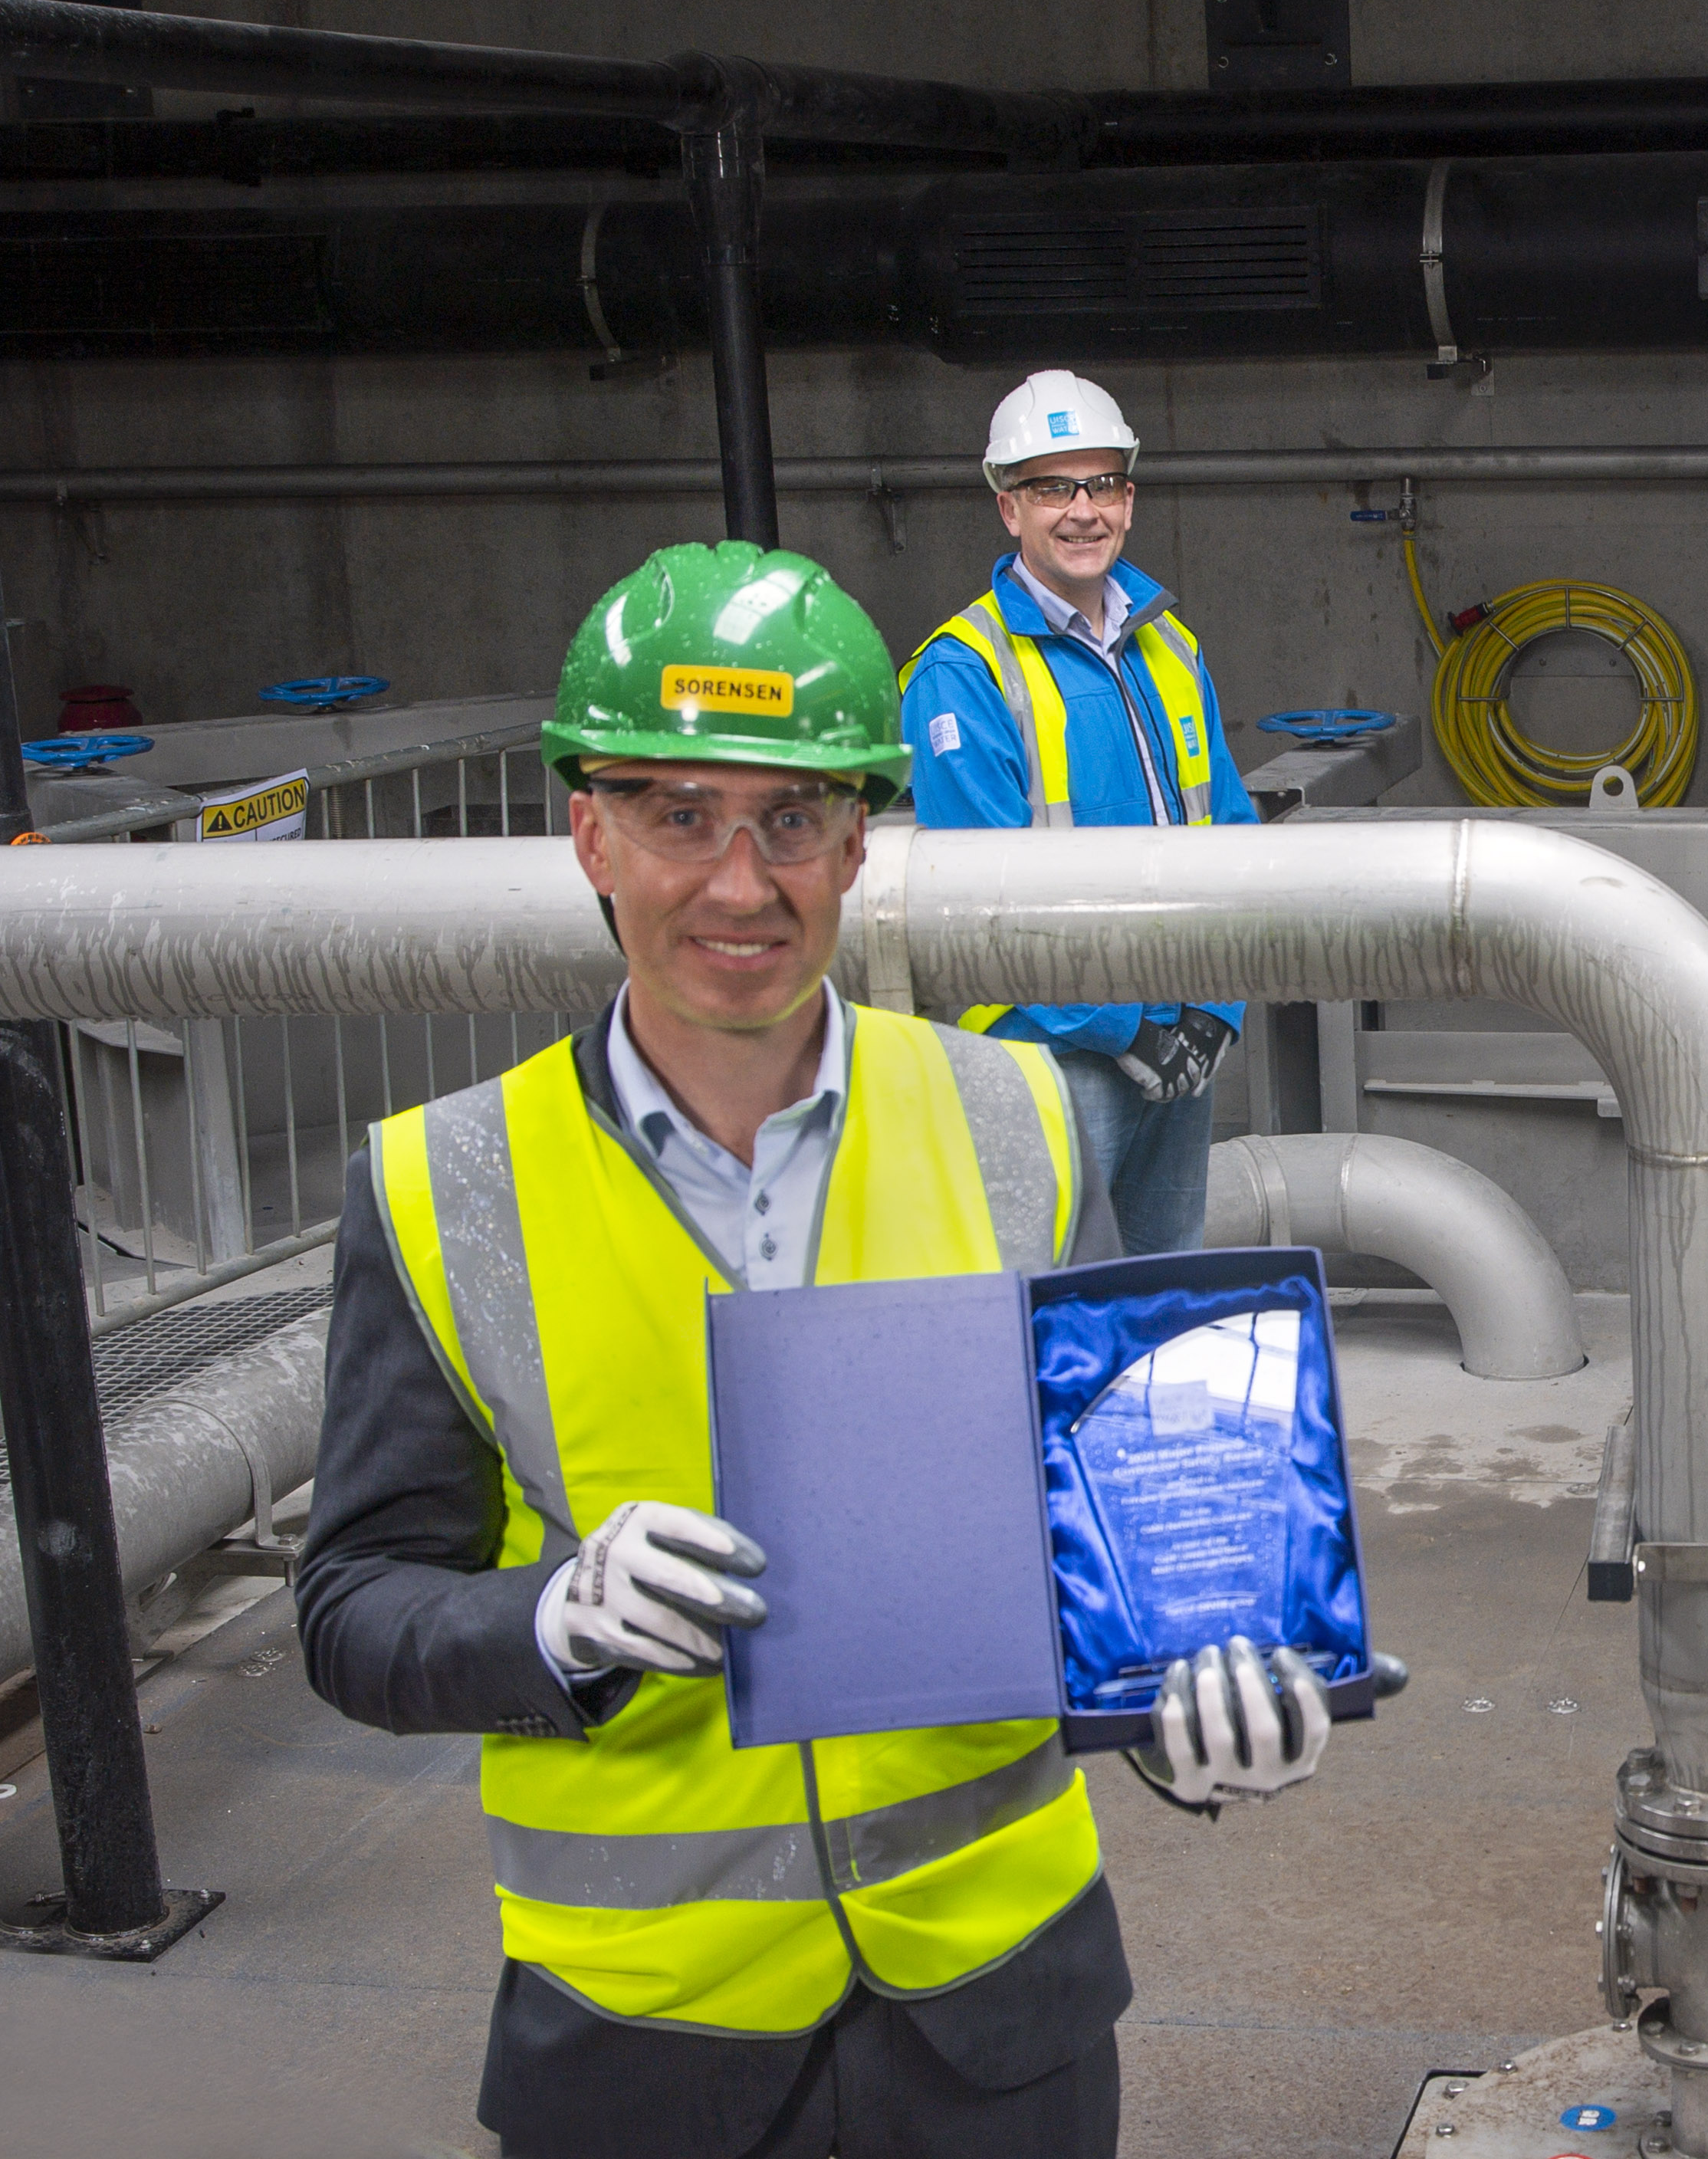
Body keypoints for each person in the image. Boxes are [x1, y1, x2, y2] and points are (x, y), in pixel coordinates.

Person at [296, 543, 1334, 2159]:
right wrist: (554, 1624)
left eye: (792, 818)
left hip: (1002, 2014)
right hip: (643, 2040)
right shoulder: (443, 1188)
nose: (739, 881)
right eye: (677, 814)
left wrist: (1203, 1701)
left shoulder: (1023, 1128)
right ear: (588, 832)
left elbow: (1120, 1553)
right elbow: (356, 1608)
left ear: (860, 838)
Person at [904, 370, 1260, 1257]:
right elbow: (986, 896)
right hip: (1045, 1056)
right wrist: (1127, 1025)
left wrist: (1218, 1009)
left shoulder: (1171, 644)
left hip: (1180, 1037)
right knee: (1046, 1300)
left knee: (1158, 1291)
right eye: (1051, 487)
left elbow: (1235, 834)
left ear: (1130, 501)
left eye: (1101, 484)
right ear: (1008, 508)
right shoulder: (964, 672)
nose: (1081, 510)